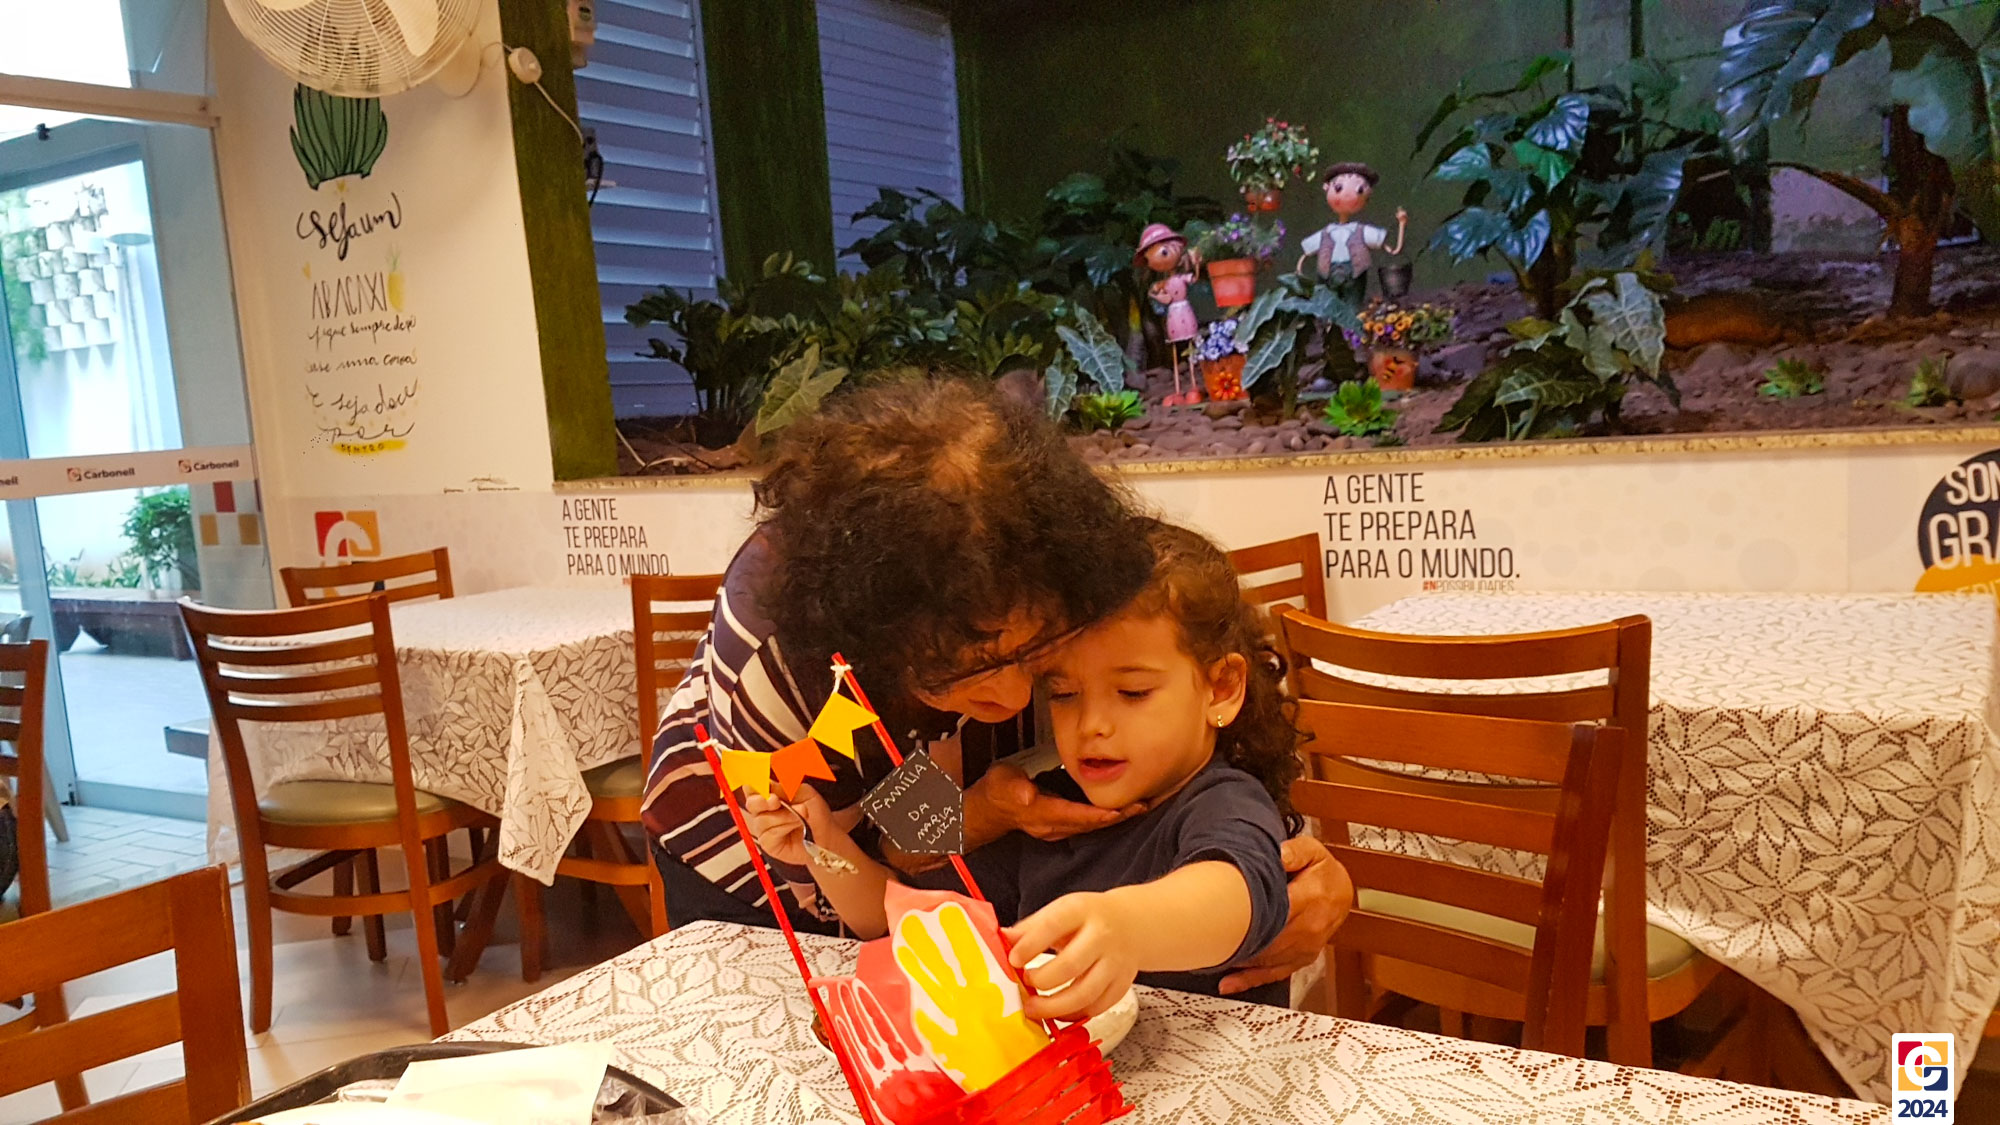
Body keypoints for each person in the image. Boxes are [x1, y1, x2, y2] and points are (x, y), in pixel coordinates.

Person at [640, 380, 1350, 999]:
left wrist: (1284, 885)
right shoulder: (779, 659)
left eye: (1039, 662)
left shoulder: (1058, 605)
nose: (1015, 700)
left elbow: (1234, 866)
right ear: (883, 649)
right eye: (967, 668)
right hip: (758, 883)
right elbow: (881, 911)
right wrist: (831, 839)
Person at [747, 519, 1307, 1015]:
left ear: (1221, 688)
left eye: (1133, 692)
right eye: (1063, 695)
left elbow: (1238, 893)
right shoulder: (1050, 811)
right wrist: (822, 843)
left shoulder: (1224, 801)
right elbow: (898, 916)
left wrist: (1126, 926)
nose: (1092, 725)